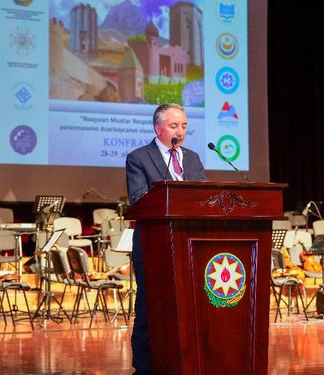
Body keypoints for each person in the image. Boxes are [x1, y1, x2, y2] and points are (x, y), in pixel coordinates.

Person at [125, 103, 207, 374]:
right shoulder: (139, 157)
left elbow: (204, 199)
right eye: (174, 126)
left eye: (184, 126)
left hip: (190, 242)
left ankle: (187, 356)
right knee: (150, 302)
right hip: (153, 243)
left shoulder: (193, 158)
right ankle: (146, 364)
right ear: (158, 128)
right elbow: (137, 199)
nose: (180, 132)